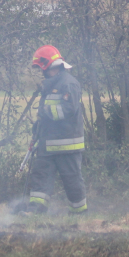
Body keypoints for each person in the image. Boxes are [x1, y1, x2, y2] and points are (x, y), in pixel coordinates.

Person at [25, 45, 87, 215]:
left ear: (49, 66)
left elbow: (67, 109)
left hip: (67, 145)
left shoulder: (69, 84)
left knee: (72, 181)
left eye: (41, 69)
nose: (41, 73)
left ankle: (79, 213)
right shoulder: (50, 83)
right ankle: (35, 211)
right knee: (40, 177)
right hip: (48, 144)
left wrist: (44, 113)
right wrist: (39, 126)